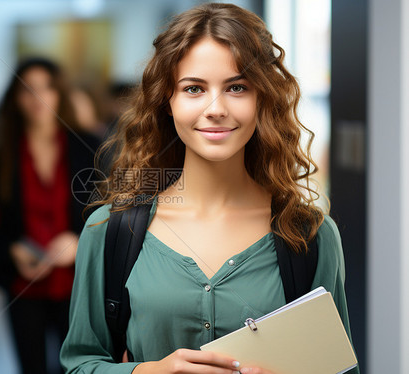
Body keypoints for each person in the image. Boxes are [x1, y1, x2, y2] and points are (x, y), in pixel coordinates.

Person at [60, 3, 359, 374]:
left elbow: (337, 368)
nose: (215, 108)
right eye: (194, 89)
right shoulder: (109, 232)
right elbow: (80, 364)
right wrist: (150, 372)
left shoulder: (310, 236)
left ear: (262, 99)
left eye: (237, 87)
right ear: (167, 102)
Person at [0, 57, 101, 374]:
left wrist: (81, 240)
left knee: (79, 368)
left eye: (47, 88)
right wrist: (9, 247)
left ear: (59, 94)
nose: (38, 98)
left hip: (78, 284)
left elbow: (115, 211)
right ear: (16, 99)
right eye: (28, 90)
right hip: (22, 285)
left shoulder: (88, 146)